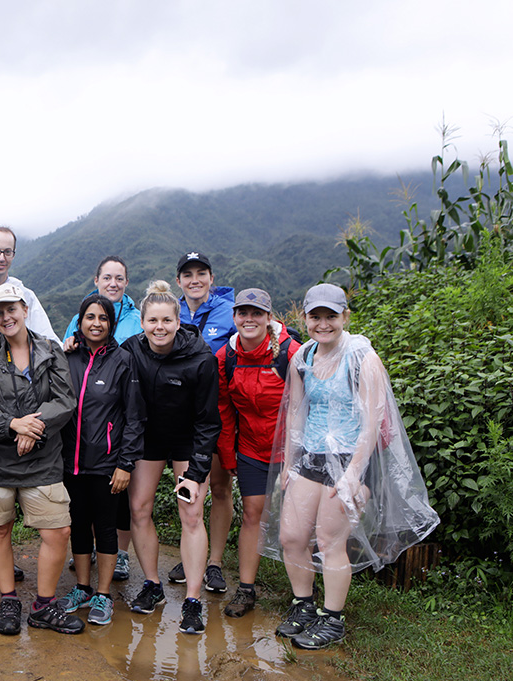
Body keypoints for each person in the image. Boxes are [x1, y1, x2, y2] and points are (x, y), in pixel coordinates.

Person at [261, 284, 438, 649]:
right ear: (304, 319)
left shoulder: (361, 357)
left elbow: (372, 421)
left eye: (331, 316)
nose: (323, 324)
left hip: (352, 458)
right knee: (291, 537)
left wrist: (353, 474)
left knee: (329, 540)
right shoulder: (303, 357)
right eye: (315, 317)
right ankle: (303, 605)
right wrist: (289, 464)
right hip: (311, 456)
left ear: (345, 317)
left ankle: (332, 619)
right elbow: (296, 411)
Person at [0, 282, 82, 636]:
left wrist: (34, 428)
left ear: (25, 309)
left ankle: (44, 605)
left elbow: (65, 399)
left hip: (41, 457)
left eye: (10, 309)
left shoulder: (50, 350)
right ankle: (9, 599)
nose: (5, 317)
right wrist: (14, 425)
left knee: (58, 530)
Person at [123, 280, 221, 634]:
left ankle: (193, 600)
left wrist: (197, 471)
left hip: (188, 440)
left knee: (191, 514)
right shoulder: (130, 349)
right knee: (139, 509)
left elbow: (209, 422)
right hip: (147, 439)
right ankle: (152, 584)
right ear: (143, 322)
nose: (159, 328)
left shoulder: (201, 359)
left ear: (179, 322)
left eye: (166, 320)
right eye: (153, 321)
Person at [214, 288, 300, 617]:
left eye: (256, 313)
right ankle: (247, 590)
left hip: (291, 447)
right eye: (242, 313)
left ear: (268, 317)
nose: (249, 319)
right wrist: (228, 454)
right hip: (251, 446)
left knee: (297, 521)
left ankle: (302, 595)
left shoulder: (289, 352)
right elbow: (224, 408)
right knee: (252, 514)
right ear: (234, 317)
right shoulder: (227, 357)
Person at [58, 294, 144, 625]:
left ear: (111, 324)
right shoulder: (68, 358)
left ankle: (103, 595)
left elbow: (135, 417)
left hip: (107, 463)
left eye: (103, 318)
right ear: (80, 322)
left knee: (105, 527)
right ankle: (81, 587)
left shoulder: (123, 361)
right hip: (71, 461)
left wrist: (126, 463)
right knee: (78, 525)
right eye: (89, 317)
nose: (96, 323)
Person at [168, 251, 236, 597]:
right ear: (179, 280)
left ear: (211, 277)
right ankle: (191, 554)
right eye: (188, 274)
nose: (195, 280)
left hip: (221, 414)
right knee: (192, 493)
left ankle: (215, 562)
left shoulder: (230, 312)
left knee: (220, 489)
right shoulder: (172, 312)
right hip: (182, 418)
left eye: (201, 273)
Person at [0, 225, 60, 343]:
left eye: (7, 252)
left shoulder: (24, 295)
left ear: (13, 255)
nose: (1, 258)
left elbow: (46, 338)